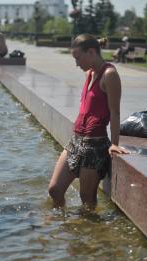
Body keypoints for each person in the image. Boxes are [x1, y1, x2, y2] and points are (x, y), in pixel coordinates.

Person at [48, 34, 128, 210]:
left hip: (95, 145)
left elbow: (115, 112)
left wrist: (114, 144)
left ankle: (91, 235)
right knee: (54, 189)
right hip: (75, 141)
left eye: (78, 57)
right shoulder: (90, 72)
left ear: (91, 52)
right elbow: (90, 60)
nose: (76, 63)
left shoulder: (110, 75)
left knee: (87, 199)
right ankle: (59, 221)